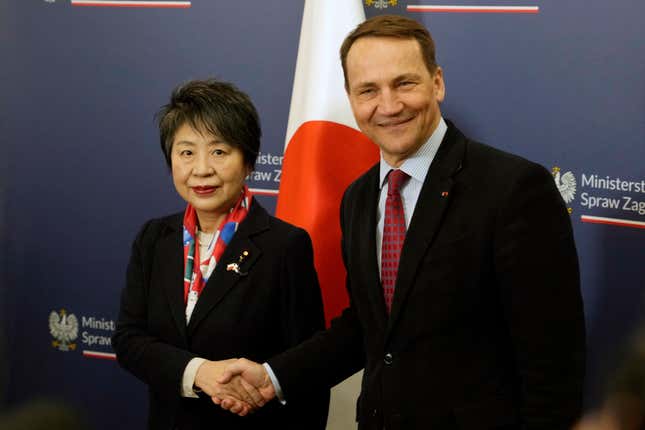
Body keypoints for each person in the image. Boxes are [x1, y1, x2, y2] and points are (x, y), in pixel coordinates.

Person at [215, 15, 586, 430]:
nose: (388, 106)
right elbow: (369, 326)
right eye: (368, 90)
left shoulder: (513, 189)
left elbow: (553, 363)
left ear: (437, 83)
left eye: (404, 83)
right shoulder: (357, 198)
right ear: (352, 99)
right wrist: (273, 377)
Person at [111, 79, 329, 429]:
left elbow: (308, 369)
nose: (201, 169)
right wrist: (200, 372)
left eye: (219, 151)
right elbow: (129, 339)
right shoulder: (154, 238)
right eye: (186, 152)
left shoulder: (284, 246)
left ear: (248, 161)